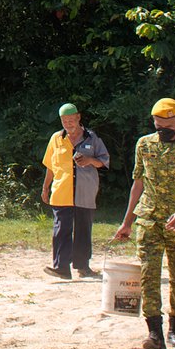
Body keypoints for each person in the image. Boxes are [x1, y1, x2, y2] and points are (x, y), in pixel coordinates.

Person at [113, 97, 175, 349]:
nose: (162, 130)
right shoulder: (144, 145)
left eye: (168, 126)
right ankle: (154, 333)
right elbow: (138, 184)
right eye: (158, 125)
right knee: (148, 274)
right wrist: (127, 222)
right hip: (149, 219)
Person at [40, 103, 106, 279]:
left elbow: (104, 161)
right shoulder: (56, 138)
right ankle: (61, 267)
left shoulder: (91, 138)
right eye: (64, 121)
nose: (68, 124)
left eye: (71, 120)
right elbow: (50, 166)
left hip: (85, 191)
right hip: (61, 191)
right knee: (61, 229)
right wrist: (45, 187)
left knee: (83, 229)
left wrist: (90, 160)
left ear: (78, 117)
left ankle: (83, 267)